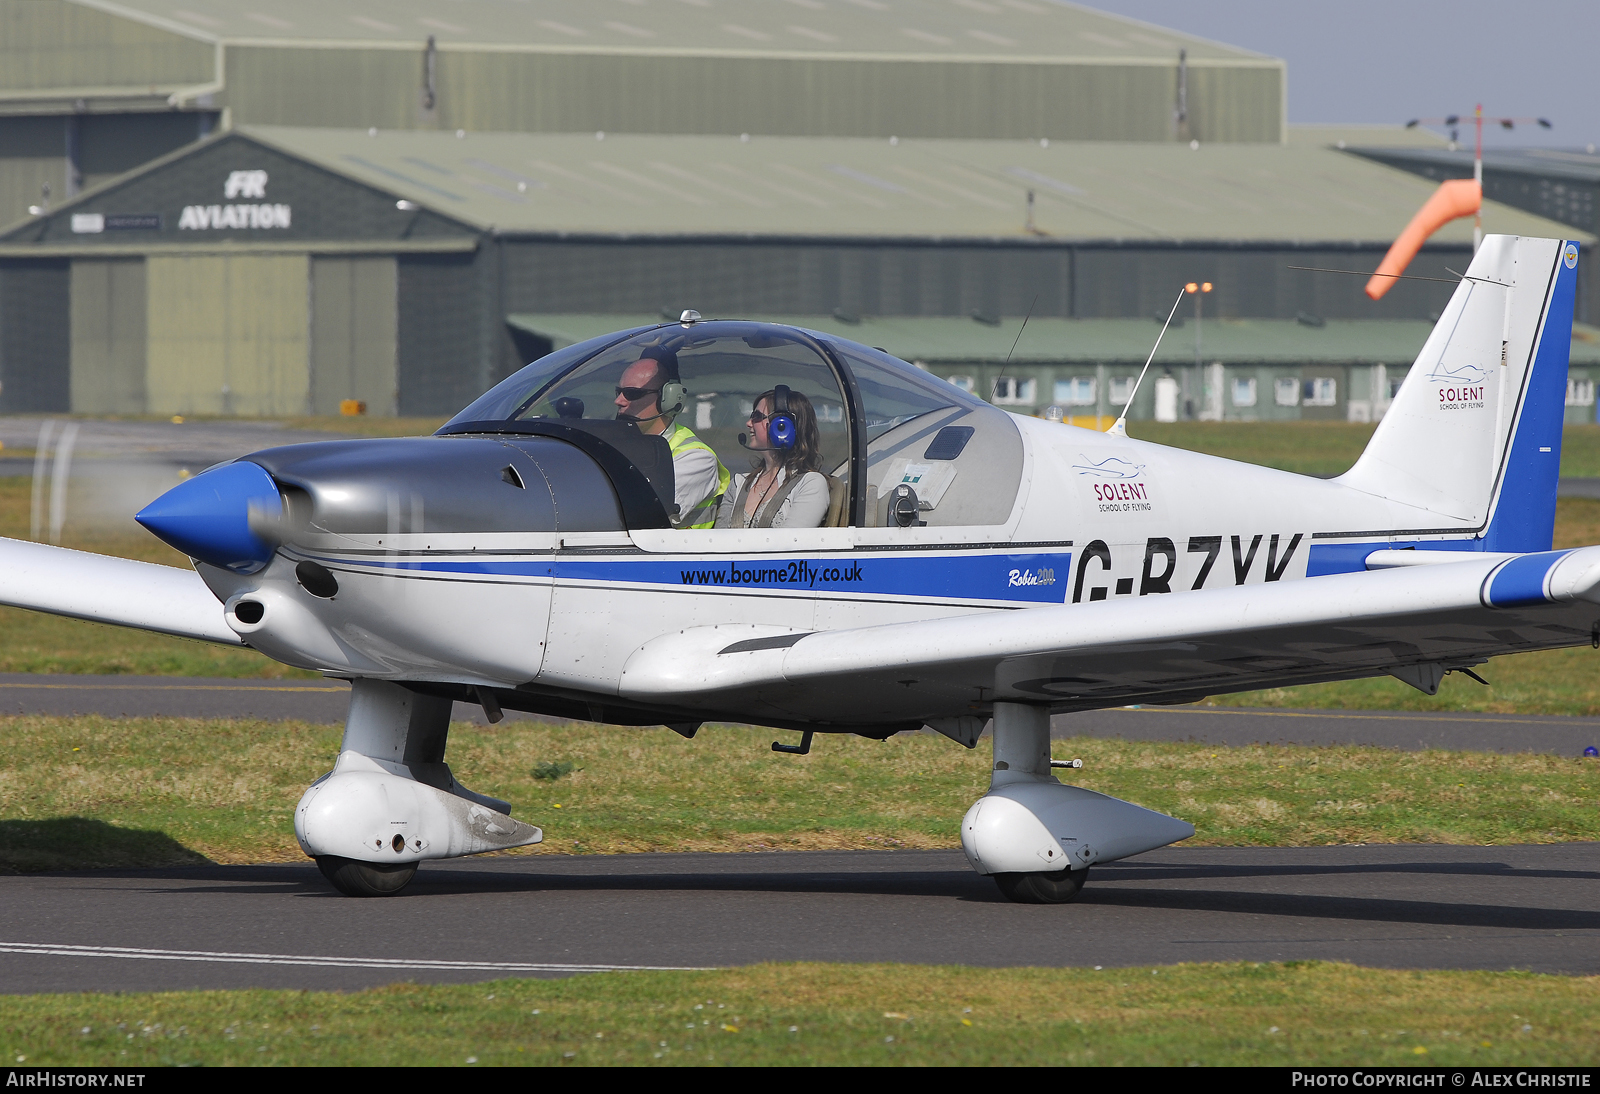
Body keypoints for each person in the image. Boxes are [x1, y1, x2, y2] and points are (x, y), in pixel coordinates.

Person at [613, 347, 729, 529]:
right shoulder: (612, 445)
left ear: (668, 399)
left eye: (632, 393)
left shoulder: (696, 458)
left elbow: (641, 514)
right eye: (618, 392)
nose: (619, 401)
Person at [717, 386, 830, 529]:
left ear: (782, 426)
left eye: (756, 416)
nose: (748, 423)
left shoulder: (810, 484)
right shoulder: (738, 484)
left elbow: (790, 544)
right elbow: (718, 542)